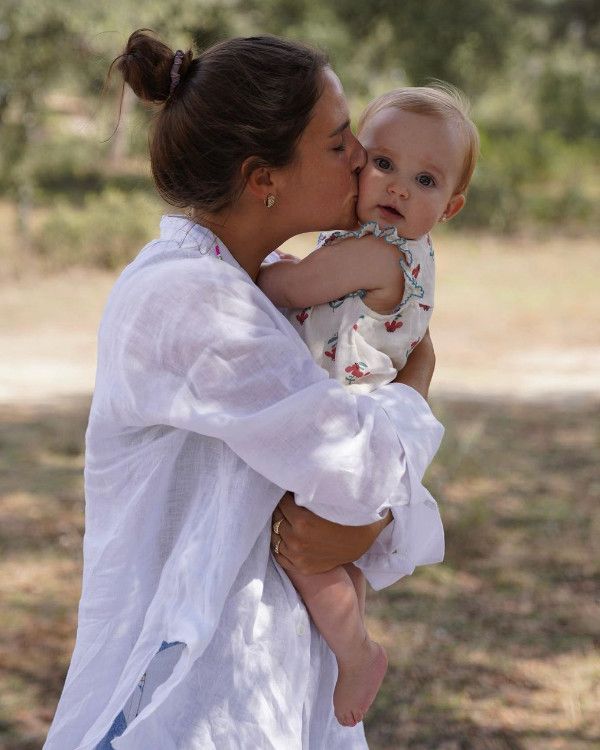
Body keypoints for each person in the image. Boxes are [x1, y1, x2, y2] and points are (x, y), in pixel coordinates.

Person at [43, 31, 445, 750]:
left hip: (262, 677)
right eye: (337, 141)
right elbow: (355, 470)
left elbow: (355, 493)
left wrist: (371, 521)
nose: (361, 156)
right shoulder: (194, 301)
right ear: (265, 177)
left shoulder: (248, 288)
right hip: (189, 700)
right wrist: (418, 381)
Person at [258, 86, 479, 726]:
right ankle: (345, 628)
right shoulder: (403, 252)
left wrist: (243, 266)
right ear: (358, 163)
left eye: (426, 179)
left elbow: (290, 287)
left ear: (451, 205)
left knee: (301, 555)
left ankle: (357, 654)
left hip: (340, 432)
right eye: (383, 164)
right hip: (357, 428)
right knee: (330, 567)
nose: (398, 188)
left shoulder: (377, 251)